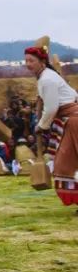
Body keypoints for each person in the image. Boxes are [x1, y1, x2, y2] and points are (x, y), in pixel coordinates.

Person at [24, 45, 78, 207]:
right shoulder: (46, 77)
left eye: (31, 60)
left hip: (72, 121)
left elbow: (52, 107)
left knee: (64, 165)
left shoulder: (47, 79)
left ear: (42, 62)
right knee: (67, 164)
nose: (27, 64)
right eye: (26, 60)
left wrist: (41, 126)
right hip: (69, 120)